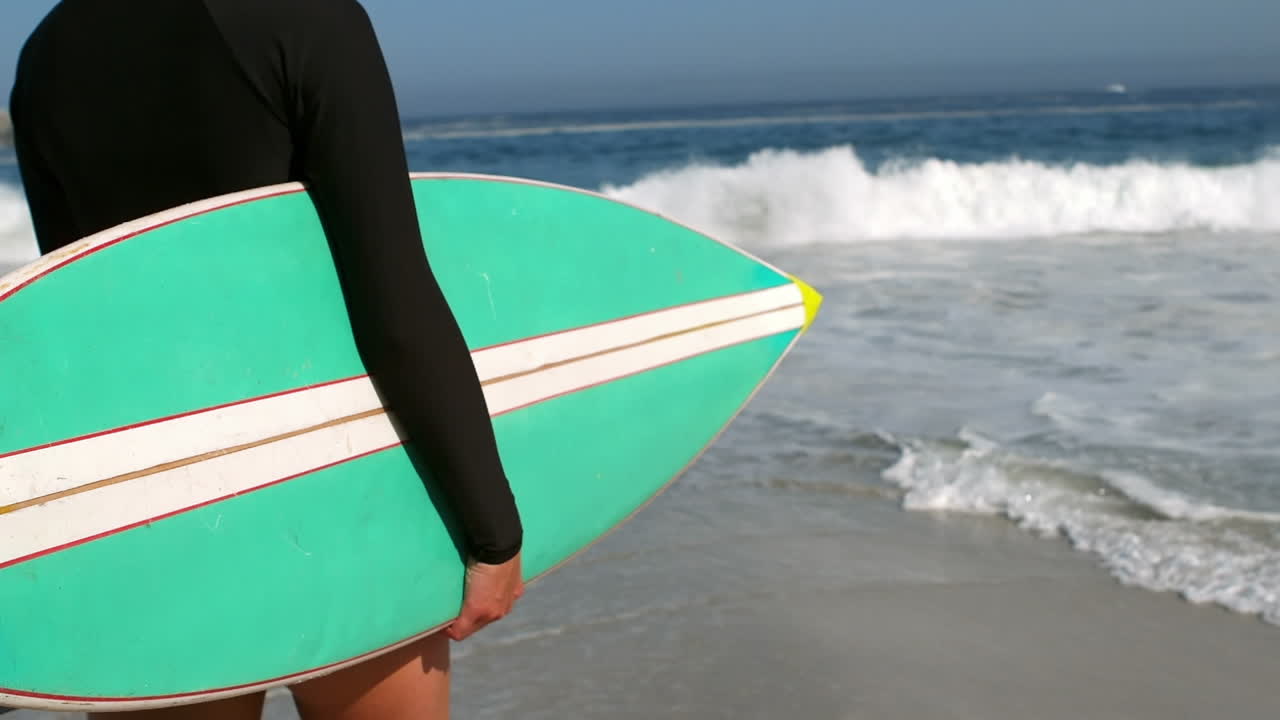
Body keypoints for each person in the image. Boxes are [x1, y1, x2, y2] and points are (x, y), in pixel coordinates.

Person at [9, 1, 524, 718]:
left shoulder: (46, 53)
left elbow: (78, 321)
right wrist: (492, 531)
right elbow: (392, 299)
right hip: (334, 487)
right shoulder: (307, 17)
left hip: (154, 517)